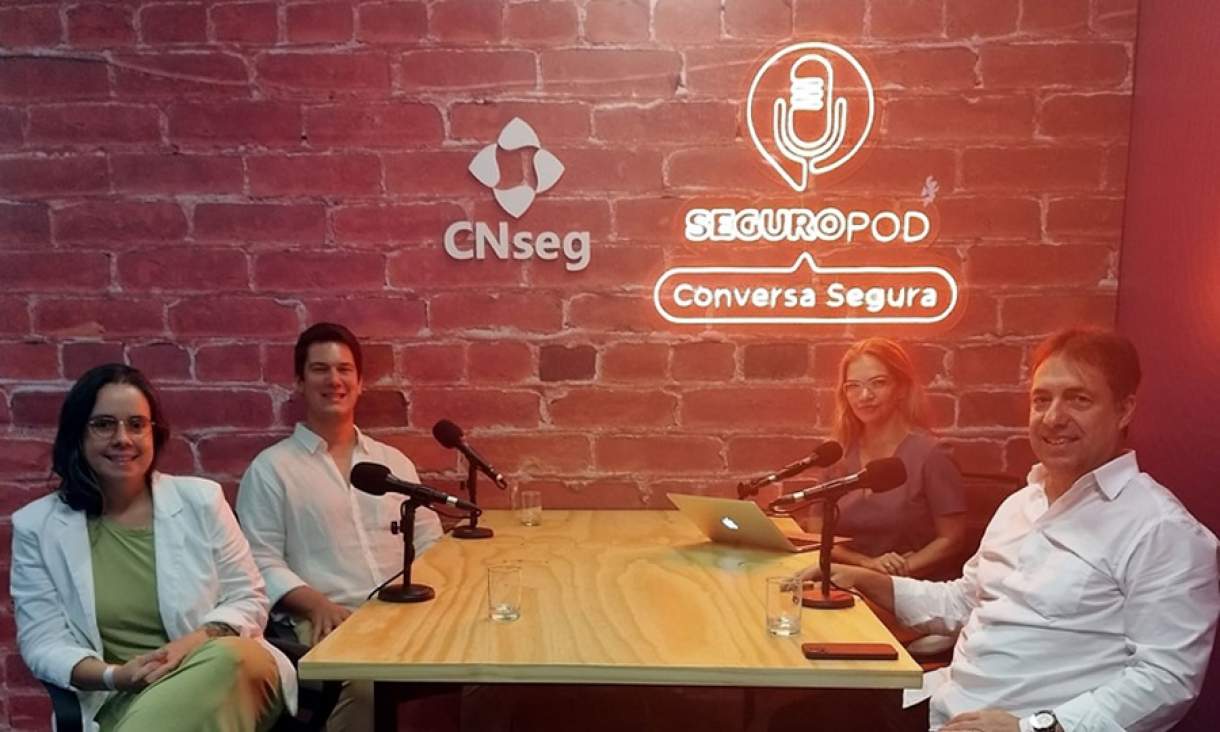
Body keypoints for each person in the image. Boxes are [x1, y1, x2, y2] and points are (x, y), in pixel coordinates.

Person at [803, 328, 1220, 732]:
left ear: (1124, 410)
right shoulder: (1020, 503)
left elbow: (1167, 679)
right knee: (796, 714)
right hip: (943, 702)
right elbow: (963, 601)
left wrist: (1036, 727)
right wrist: (863, 579)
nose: (1054, 418)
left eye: (1079, 399)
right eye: (1042, 400)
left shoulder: (1163, 530)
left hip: (1028, 724)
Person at [9, 364, 296, 732]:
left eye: (136, 424)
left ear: (154, 433)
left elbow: (249, 599)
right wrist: (116, 676)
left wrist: (191, 645)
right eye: (103, 425)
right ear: (77, 435)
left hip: (228, 676)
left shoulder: (201, 501)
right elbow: (43, 643)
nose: (122, 438)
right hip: (120, 699)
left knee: (232, 656)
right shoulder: (37, 526)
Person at [236, 322, 443, 732]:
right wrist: (316, 605)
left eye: (344, 369)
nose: (334, 380)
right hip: (328, 619)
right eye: (320, 369)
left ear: (360, 382)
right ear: (299, 382)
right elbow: (259, 560)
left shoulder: (392, 462)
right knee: (368, 686)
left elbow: (431, 542)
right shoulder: (272, 469)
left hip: (406, 615)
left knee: (487, 673)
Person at [814, 338, 966, 579]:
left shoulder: (931, 454)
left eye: (878, 383)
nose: (864, 395)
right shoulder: (837, 453)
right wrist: (866, 565)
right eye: (853, 386)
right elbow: (817, 534)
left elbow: (952, 539)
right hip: (846, 580)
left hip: (910, 585)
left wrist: (895, 572)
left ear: (902, 389)